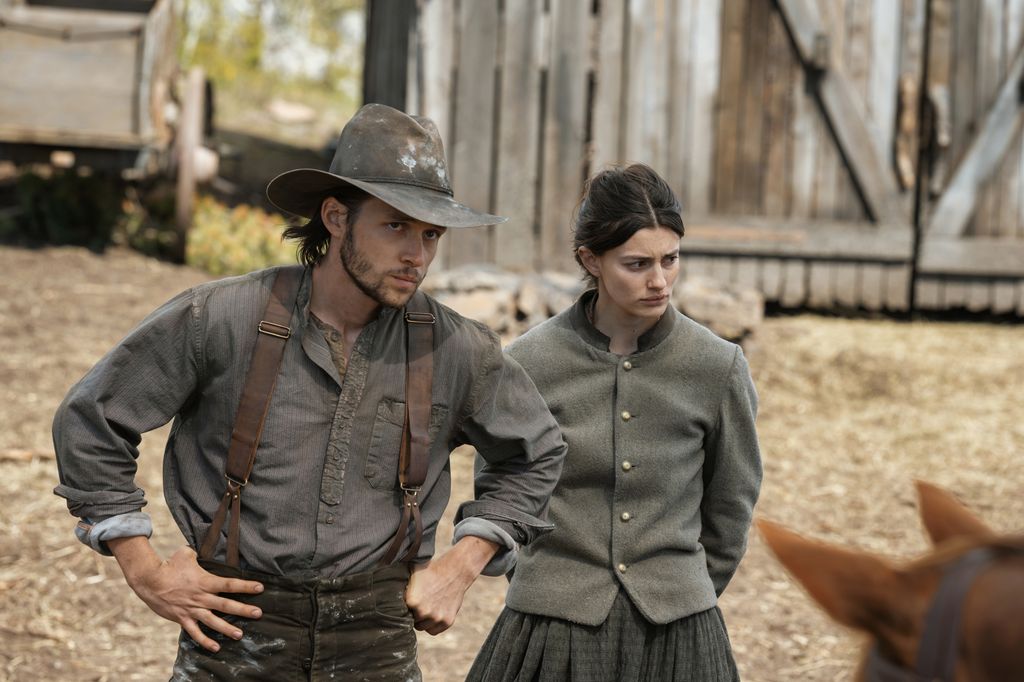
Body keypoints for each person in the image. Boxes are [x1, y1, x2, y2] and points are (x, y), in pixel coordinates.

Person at [52, 103, 566, 681]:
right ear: (336, 218)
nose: (415, 256)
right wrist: (144, 568)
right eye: (395, 225)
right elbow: (92, 418)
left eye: (430, 235)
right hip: (235, 628)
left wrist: (463, 562)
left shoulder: (456, 348)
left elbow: (536, 453)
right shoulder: (223, 317)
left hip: (378, 638)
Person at [468, 164, 762, 681]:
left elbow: (731, 503)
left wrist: (684, 589)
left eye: (671, 260)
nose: (659, 280)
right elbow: (502, 486)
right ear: (591, 260)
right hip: (550, 627)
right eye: (637, 263)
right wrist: (548, 581)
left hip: (679, 632)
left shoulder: (717, 366)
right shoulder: (529, 362)